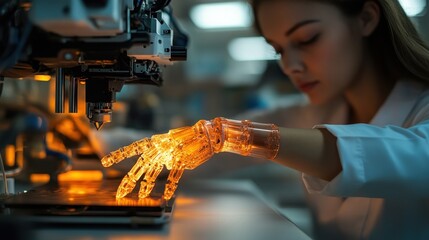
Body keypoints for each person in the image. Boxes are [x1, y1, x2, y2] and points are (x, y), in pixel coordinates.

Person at [101, 0, 429, 239]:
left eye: (307, 39)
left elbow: (416, 155)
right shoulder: (313, 111)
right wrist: (95, 140)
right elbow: (209, 157)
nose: (290, 66)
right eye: (279, 49)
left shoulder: (421, 109)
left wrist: (235, 135)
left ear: (367, 18)